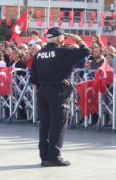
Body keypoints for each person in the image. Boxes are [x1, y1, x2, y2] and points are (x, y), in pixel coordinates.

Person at [29, 27, 91, 167]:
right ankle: (53, 157)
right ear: (60, 38)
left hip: (42, 92)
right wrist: (79, 40)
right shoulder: (63, 51)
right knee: (58, 124)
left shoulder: (38, 55)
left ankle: (44, 156)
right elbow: (86, 51)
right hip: (58, 92)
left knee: (44, 125)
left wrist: (40, 92)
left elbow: (33, 79)